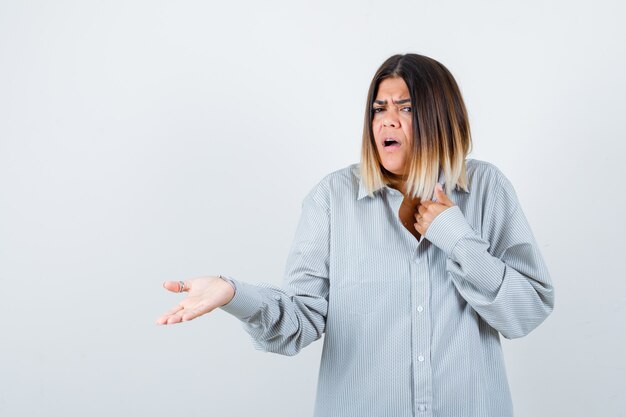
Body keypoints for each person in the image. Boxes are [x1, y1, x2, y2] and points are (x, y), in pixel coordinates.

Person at [156, 53, 555, 417]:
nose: (388, 120)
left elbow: (528, 313)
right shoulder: (331, 199)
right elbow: (299, 321)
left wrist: (457, 237)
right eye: (379, 109)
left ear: (440, 115)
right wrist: (233, 293)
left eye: (406, 108)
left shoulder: (487, 188)